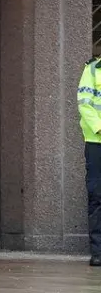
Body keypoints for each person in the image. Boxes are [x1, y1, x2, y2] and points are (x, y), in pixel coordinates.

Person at [79, 46, 101, 267]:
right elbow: (85, 104)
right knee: (97, 196)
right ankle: (98, 252)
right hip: (97, 142)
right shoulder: (93, 70)